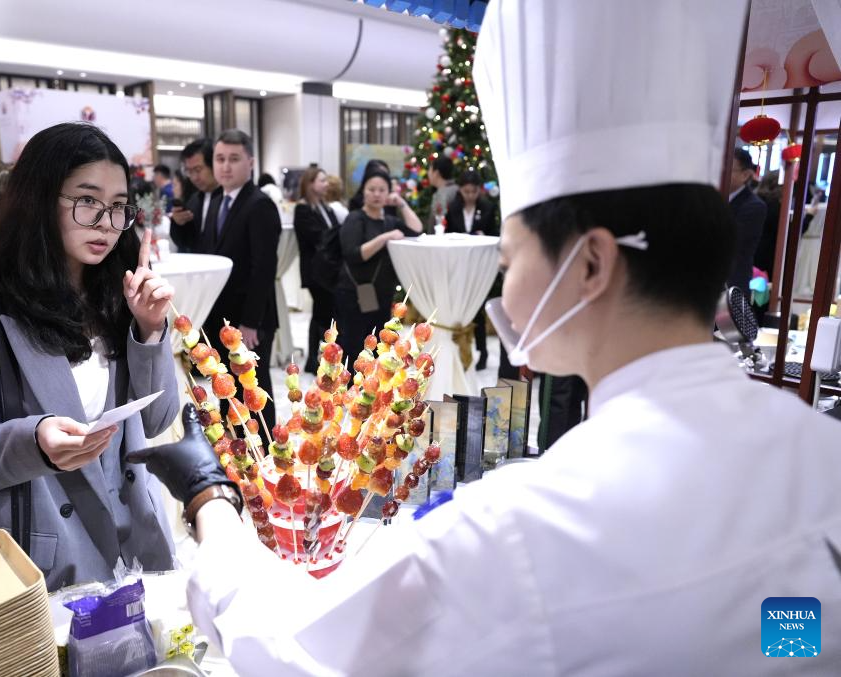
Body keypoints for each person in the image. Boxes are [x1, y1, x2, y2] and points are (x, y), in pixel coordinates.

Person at [129, 1, 841, 674]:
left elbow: (294, 651)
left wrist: (210, 499)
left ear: (591, 264)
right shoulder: (819, 454)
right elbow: (793, 633)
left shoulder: (525, 530)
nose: (505, 284)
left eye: (510, 256)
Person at [0, 122, 181, 591]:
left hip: (134, 539)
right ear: (38, 199)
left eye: (118, 206)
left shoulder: (122, 296)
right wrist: (33, 441)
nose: (106, 223)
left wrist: (150, 330)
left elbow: (157, 420)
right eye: (87, 201)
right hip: (46, 553)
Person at [176, 129, 281, 428]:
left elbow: (264, 268)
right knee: (225, 386)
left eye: (234, 159)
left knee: (252, 389)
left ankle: (262, 448)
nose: (225, 166)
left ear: (251, 163)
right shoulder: (217, 201)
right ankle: (235, 446)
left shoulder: (259, 204)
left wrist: (250, 322)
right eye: (220, 159)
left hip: (249, 319)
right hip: (221, 316)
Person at [335, 170, 423, 362]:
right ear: (363, 192)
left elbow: (416, 230)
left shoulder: (390, 221)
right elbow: (354, 254)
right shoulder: (355, 218)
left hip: (382, 294)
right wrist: (385, 238)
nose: (377, 194)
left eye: (382, 190)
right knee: (354, 348)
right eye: (372, 189)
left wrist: (401, 203)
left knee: (379, 347)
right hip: (354, 293)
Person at [445, 168, 499, 369]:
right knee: (458, 309)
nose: (469, 195)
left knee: (478, 310)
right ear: (460, 190)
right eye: (466, 191)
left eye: (473, 191)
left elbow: (495, 234)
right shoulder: (453, 207)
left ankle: (482, 352)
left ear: (479, 190)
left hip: (479, 265)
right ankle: (460, 351)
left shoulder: (487, 207)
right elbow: (448, 233)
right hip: (458, 264)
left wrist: (483, 236)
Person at [292, 166, 338, 373]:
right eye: (322, 180)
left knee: (323, 312)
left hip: (329, 269)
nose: (326, 184)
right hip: (315, 270)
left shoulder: (324, 207)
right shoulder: (303, 209)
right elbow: (318, 236)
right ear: (310, 183)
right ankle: (315, 358)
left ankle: (321, 357)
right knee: (321, 312)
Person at [726, 147, 767, 291]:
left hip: (731, 282)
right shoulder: (713, 197)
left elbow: (731, 242)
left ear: (745, 175)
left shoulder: (753, 206)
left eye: (728, 169)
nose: (721, 173)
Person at [170, 138, 220, 254]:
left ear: (213, 165)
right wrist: (178, 223)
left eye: (198, 170)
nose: (194, 177)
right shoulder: (195, 199)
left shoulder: (227, 199)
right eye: (189, 171)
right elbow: (186, 242)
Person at [427, 155, 459, 231]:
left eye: (430, 170)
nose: (428, 173)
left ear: (436, 173)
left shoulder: (441, 195)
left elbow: (438, 222)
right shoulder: (458, 188)